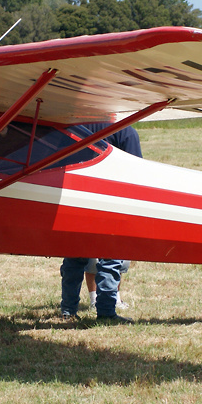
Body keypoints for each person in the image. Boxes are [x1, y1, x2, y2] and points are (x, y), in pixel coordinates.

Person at [59, 124, 142, 321]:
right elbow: (136, 171)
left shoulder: (71, 126)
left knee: (74, 257)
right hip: (111, 202)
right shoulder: (125, 132)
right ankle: (106, 311)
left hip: (76, 198)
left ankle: (68, 311)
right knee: (111, 259)